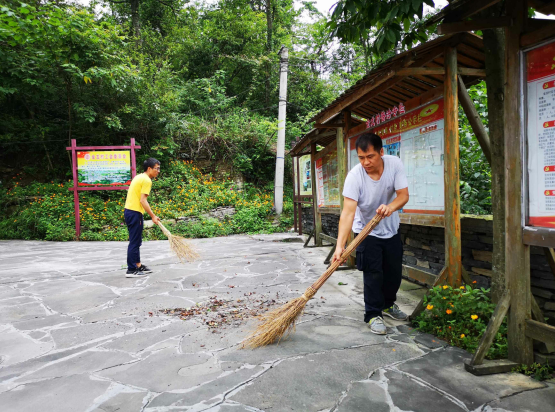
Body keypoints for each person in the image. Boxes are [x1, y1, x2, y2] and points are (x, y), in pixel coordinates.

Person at [332, 133, 409, 335]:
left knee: (393, 273)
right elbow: (348, 213)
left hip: (390, 228)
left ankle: (388, 304)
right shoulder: (354, 176)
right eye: (361, 157)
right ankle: (373, 314)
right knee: (373, 274)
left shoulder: (394, 164)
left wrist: (390, 207)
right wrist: (340, 246)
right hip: (365, 230)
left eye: (371, 157)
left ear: (381, 152)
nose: (366, 162)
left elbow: (403, 195)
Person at [123, 158, 161, 278]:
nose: (158, 171)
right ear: (149, 168)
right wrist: (153, 216)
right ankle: (131, 269)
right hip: (134, 212)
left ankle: (138, 265)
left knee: (137, 241)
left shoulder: (139, 177)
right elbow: (143, 200)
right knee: (135, 242)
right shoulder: (146, 180)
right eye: (156, 168)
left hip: (130, 211)